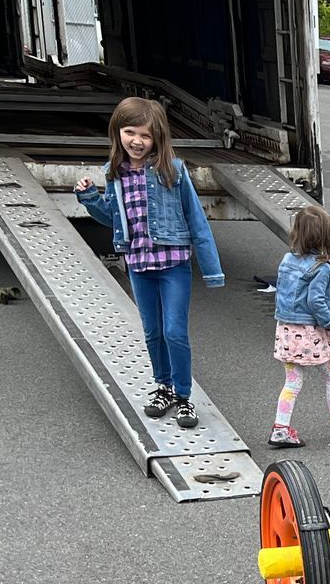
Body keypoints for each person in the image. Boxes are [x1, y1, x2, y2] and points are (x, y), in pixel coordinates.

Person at [75, 97, 224, 427]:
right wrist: (88, 198)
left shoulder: (173, 170)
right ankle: (164, 388)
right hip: (139, 265)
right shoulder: (115, 174)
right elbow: (113, 218)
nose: (137, 141)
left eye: (146, 135)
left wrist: (212, 270)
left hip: (173, 265)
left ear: (158, 138)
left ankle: (184, 396)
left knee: (174, 332)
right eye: (130, 132)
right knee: (153, 332)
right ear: (118, 133)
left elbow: (196, 220)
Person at [268, 205, 330, 449]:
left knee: (293, 382)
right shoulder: (321, 268)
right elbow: (315, 301)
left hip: (287, 330)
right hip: (312, 335)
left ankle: (280, 428)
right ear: (327, 236)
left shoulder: (287, 260)